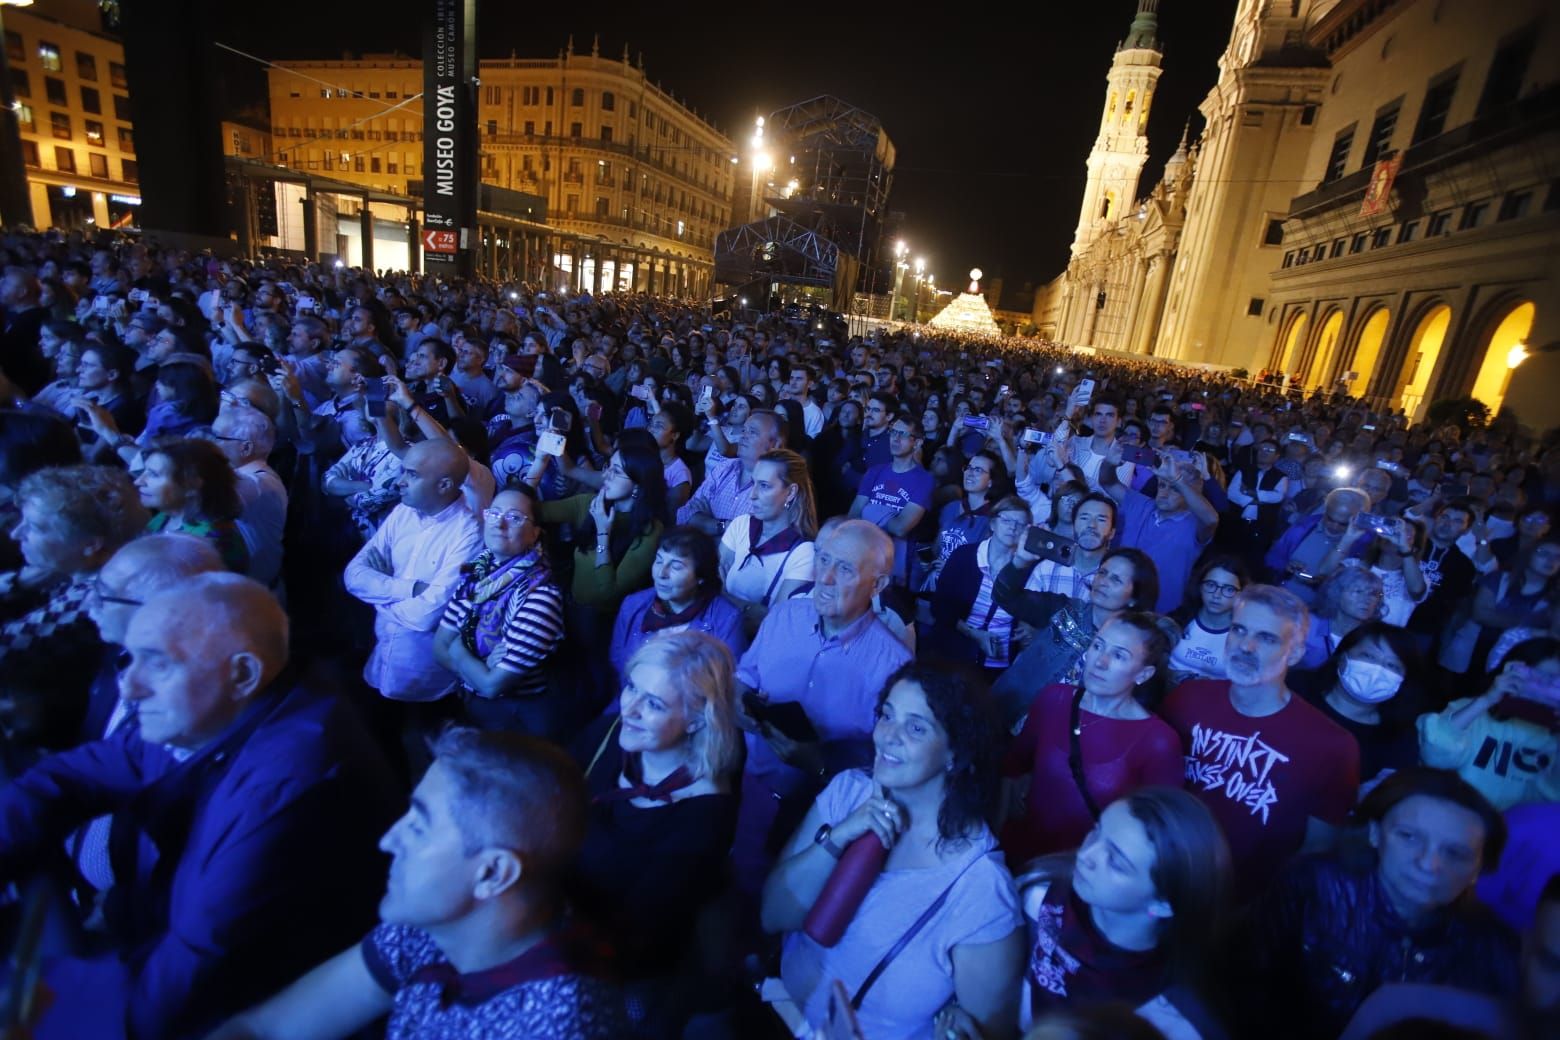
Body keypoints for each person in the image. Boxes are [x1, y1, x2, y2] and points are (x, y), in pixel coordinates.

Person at [0, 574, 399, 1040]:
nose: (129, 687)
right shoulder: (215, 708)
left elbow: (186, 974)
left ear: (243, 673)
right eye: (130, 659)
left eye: (158, 664)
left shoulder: (289, 784)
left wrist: (23, 999)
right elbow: (72, 774)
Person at [209, 728, 625, 1040]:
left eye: (418, 827)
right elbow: (268, 1030)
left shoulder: (559, 1024)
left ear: (492, 873)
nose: (387, 841)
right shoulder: (429, 929)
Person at [762, 665, 1024, 1040]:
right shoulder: (847, 792)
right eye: (887, 715)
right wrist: (838, 838)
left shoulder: (981, 892)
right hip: (779, 1013)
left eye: (916, 727)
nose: (888, 737)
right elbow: (773, 915)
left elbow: (990, 1030)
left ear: (955, 752)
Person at [1237, 768, 1519, 1040]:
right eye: (1409, 837)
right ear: (1374, 833)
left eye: (1455, 852)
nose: (1428, 864)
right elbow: (1249, 981)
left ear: (1478, 869)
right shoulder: (1312, 887)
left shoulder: (1494, 950)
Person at [571, 631, 743, 1036]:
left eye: (654, 704)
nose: (628, 708)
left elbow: (639, 934)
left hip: (613, 969)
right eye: (632, 686)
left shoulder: (703, 815)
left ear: (699, 718)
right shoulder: (610, 734)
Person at [731, 520, 912, 892]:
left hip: (823, 814)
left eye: (844, 568)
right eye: (822, 559)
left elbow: (890, 770)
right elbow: (745, 674)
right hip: (749, 788)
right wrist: (737, 698)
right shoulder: (783, 617)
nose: (824, 578)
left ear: (877, 585)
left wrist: (819, 765)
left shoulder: (895, 668)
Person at [1160, 584, 1361, 899]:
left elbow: (1314, 852)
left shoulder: (1332, 746)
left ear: (1294, 653)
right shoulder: (1187, 699)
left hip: (1245, 907)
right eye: (1239, 630)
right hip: (1162, 877)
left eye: (1266, 638)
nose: (1246, 646)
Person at [1016, 788, 1232, 1039]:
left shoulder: (1175, 1017)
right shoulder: (1037, 891)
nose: (1085, 855)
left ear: (1164, 904)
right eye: (1096, 830)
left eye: (1117, 863)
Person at [1001, 614, 1186, 865]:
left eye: (1119, 655)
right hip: (1019, 857)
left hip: (1084, 872)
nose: (1100, 661)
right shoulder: (1055, 699)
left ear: (1143, 674)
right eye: (1098, 645)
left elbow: (1156, 833)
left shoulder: (1158, 741)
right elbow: (1014, 764)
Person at [0, 465, 147, 755]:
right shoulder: (88, 571)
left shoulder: (90, 600)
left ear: (91, 545)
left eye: (37, 528)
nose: (17, 534)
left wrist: (13, 586)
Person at [344, 437, 484, 705]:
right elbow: (353, 576)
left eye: (412, 474)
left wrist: (380, 595)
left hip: (423, 679)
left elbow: (425, 617)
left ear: (444, 485)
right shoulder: (403, 512)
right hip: (380, 658)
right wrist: (409, 588)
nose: (399, 482)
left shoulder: (470, 533)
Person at [433, 486, 568, 737]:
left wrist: (459, 647)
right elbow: (438, 647)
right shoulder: (478, 571)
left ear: (534, 534)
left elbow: (491, 685)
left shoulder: (540, 595)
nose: (499, 523)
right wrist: (479, 665)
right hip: (473, 701)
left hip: (517, 714)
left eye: (515, 518)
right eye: (494, 513)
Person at [991, 547, 1161, 732]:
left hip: (1053, 735)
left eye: (1116, 579)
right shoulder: (1065, 608)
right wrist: (1020, 562)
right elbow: (1005, 596)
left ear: (1134, 598)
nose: (1103, 582)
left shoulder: (1133, 647)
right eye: (1102, 572)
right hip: (1002, 710)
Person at [1417, 637, 1560, 810]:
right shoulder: (1470, 710)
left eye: (1558, 683)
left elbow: (1553, 795)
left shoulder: (1554, 737)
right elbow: (1434, 756)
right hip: (1454, 816)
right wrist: (1485, 700)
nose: (1549, 691)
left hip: (1518, 830)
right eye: (1540, 678)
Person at [532, 438, 667, 617]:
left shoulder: (651, 531)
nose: (606, 475)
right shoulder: (590, 503)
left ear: (638, 484)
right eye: (608, 466)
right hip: (571, 608)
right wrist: (539, 463)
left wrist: (603, 533)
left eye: (616, 471)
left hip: (605, 621)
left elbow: (608, 593)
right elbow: (527, 509)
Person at [609, 526, 748, 688]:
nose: (662, 573)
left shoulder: (726, 619)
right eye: (659, 560)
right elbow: (617, 662)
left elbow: (729, 683)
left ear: (701, 576)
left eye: (676, 566)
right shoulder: (633, 605)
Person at [1298, 621, 1425, 790]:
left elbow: (1386, 794)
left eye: (1392, 665)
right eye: (1369, 656)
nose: (1377, 670)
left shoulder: (1399, 736)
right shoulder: (1296, 687)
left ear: (1403, 680)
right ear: (1343, 657)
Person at [1098, 452, 1220, 614]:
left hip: (1160, 615)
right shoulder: (1140, 504)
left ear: (1191, 493)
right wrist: (1109, 462)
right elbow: (1108, 482)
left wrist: (1177, 480)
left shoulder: (1194, 524)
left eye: (1174, 489)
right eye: (1162, 485)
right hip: (1116, 604)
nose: (1164, 493)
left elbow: (1212, 519)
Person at [927, 495, 1031, 676]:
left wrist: (1029, 626)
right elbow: (939, 607)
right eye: (1006, 520)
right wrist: (973, 633)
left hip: (1001, 663)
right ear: (992, 524)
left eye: (1020, 524)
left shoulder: (1028, 567)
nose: (1013, 527)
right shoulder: (965, 556)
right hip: (953, 653)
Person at [719, 448, 819, 635]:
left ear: (790, 493)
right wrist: (748, 608)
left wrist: (724, 597)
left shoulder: (804, 552)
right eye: (753, 483)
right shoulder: (741, 524)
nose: (752, 495)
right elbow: (711, 583)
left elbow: (777, 623)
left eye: (764, 486)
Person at [135, 437, 251, 573]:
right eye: (145, 472)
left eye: (154, 475)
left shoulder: (207, 544)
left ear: (192, 485)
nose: (138, 481)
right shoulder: (166, 515)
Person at [209, 404, 288, 587]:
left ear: (245, 448)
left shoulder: (254, 483)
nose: (210, 444)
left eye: (218, 437)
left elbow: (198, 502)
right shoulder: (257, 477)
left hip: (251, 594)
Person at [850, 414, 934, 585]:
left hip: (895, 562)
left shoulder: (924, 479)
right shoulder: (874, 471)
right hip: (863, 554)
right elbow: (853, 515)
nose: (895, 438)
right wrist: (889, 515)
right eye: (893, 432)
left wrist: (870, 510)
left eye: (902, 435)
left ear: (917, 442)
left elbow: (901, 527)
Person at [679, 407, 786, 535]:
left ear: (775, 445)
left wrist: (704, 523)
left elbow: (752, 540)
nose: (743, 436)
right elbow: (684, 514)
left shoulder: (777, 488)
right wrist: (724, 528)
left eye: (752, 432)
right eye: (744, 430)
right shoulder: (724, 468)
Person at [1166, 554, 1248, 683]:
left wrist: (1210, 685)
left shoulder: (1245, 636)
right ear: (1200, 587)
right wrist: (1169, 675)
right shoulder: (1178, 619)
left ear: (1241, 594)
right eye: (1211, 585)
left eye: (1228, 589)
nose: (1216, 594)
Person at [1300, 565, 1386, 669]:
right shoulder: (1305, 625)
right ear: (1337, 593)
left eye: (1373, 594)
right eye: (1358, 591)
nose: (1367, 600)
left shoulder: (1373, 640)